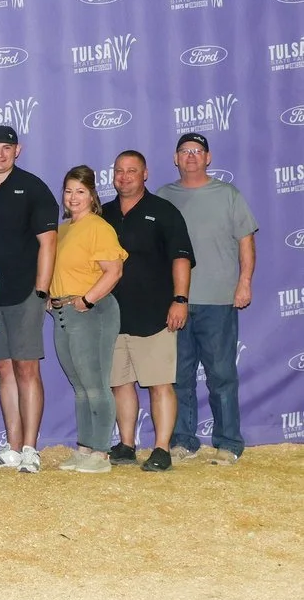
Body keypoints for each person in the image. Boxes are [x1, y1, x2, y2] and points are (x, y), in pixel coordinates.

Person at [156, 133, 258, 466]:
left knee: (222, 375)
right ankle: (184, 439)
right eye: (184, 151)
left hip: (218, 301)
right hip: (176, 303)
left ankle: (228, 442)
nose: (191, 156)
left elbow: (246, 243)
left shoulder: (228, 195)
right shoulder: (163, 197)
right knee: (179, 376)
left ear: (208, 158)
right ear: (175, 158)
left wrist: (244, 283)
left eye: (197, 151)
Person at [0, 126, 59, 474]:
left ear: (18, 150)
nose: (0, 154)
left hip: (25, 293)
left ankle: (32, 448)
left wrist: (42, 289)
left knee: (27, 368)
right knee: (3, 368)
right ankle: (13, 447)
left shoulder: (33, 188)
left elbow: (49, 242)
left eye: (7, 147)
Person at [104, 151, 195, 473]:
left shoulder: (163, 211)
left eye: (132, 171)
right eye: (119, 171)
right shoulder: (103, 214)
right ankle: (127, 445)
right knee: (120, 384)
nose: (124, 176)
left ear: (145, 174)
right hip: (112, 317)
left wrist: (180, 299)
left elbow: (181, 258)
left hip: (156, 315)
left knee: (159, 385)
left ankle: (161, 448)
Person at [49, 166, 127, 474]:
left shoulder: (98, 226)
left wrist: (87, 299)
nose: (73, 197)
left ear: (92, 195)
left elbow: (114, 270)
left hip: (91, 311)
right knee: (80, 385)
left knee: (95, 383)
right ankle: (85, 448)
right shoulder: (65, 228)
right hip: (64, 311)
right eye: (68, 191)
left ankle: (101, 454)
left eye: (80, 191)